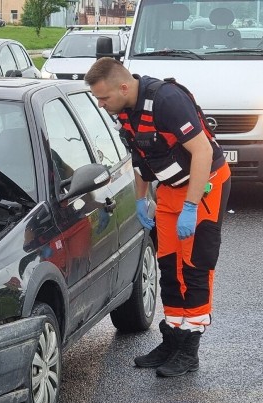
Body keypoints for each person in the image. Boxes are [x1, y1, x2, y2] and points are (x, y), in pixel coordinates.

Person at [84, 58, 231, 377]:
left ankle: (189, 349)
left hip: (204, 185)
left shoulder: (167, 101)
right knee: (168, 265)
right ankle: (172, 340)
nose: (101, 104)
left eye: (103, 97)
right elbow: (141, 160)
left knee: (193, 268)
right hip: (169, 188)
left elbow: (202, 152)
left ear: (123, 87)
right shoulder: (123, 111)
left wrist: (191, 207)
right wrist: (140, 199)